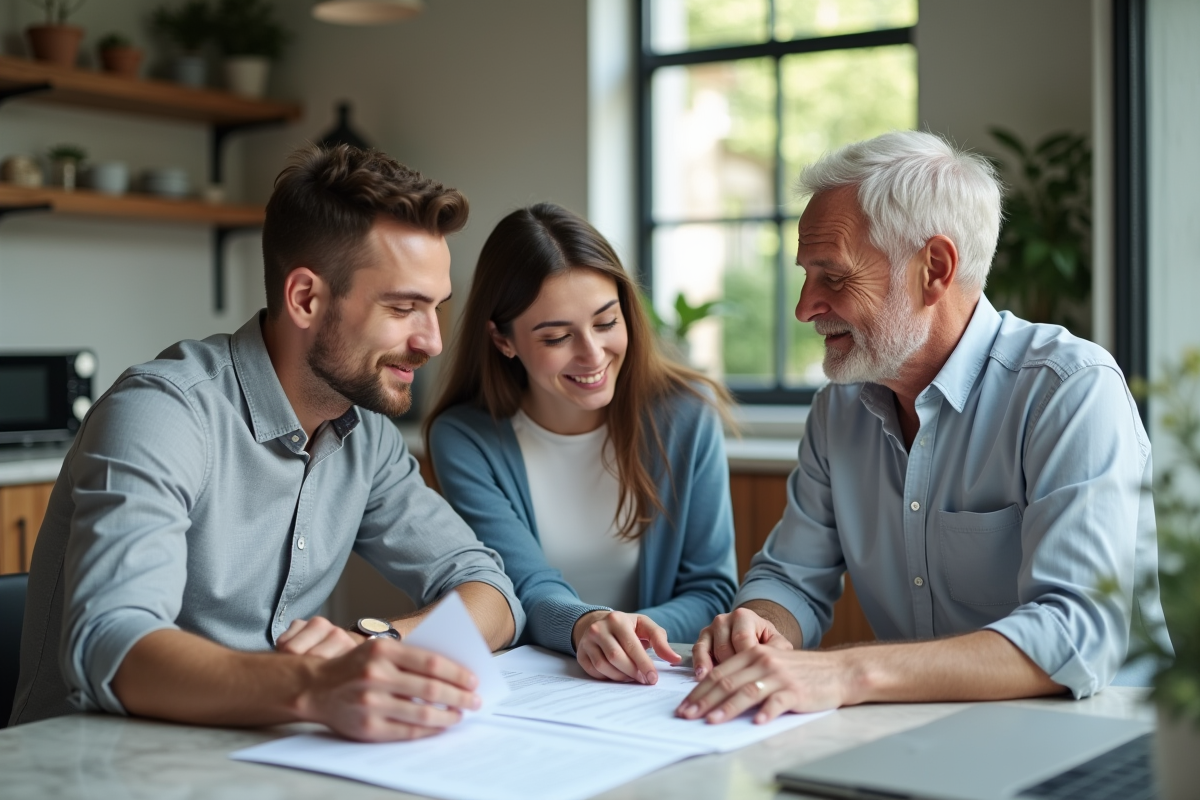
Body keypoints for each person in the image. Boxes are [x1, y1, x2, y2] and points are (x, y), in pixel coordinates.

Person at [11, 144, 526, 742]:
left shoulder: (369, 437)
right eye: (403, 308)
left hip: (267, 757)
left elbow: (489, 591)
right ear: (305, 298)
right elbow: (110, 644)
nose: (433, 342)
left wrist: (375, 645)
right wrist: (312, 686)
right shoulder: (160, 413)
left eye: (436, 308)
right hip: (93, 770)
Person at [676, 130, 1171, 725]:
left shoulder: (1068, 389)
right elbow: (791, 577)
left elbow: (1076, 632)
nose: (806, 307)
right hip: (921, 732)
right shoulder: (839, 409)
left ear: (934, 268)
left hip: (1095, 738)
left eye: (833, 277)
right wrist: (758, 624)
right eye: (806, 276)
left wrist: (843, 672)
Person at [425, 203, 738, 685]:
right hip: (537, 685)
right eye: (556, 337)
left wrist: (629, 635)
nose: (592, 354)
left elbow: (711, 590)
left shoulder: (686, 416)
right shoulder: (466, 439)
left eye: (606, 322)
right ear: (503, 340)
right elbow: (521, 586)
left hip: (658, 676)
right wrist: (585, 626)